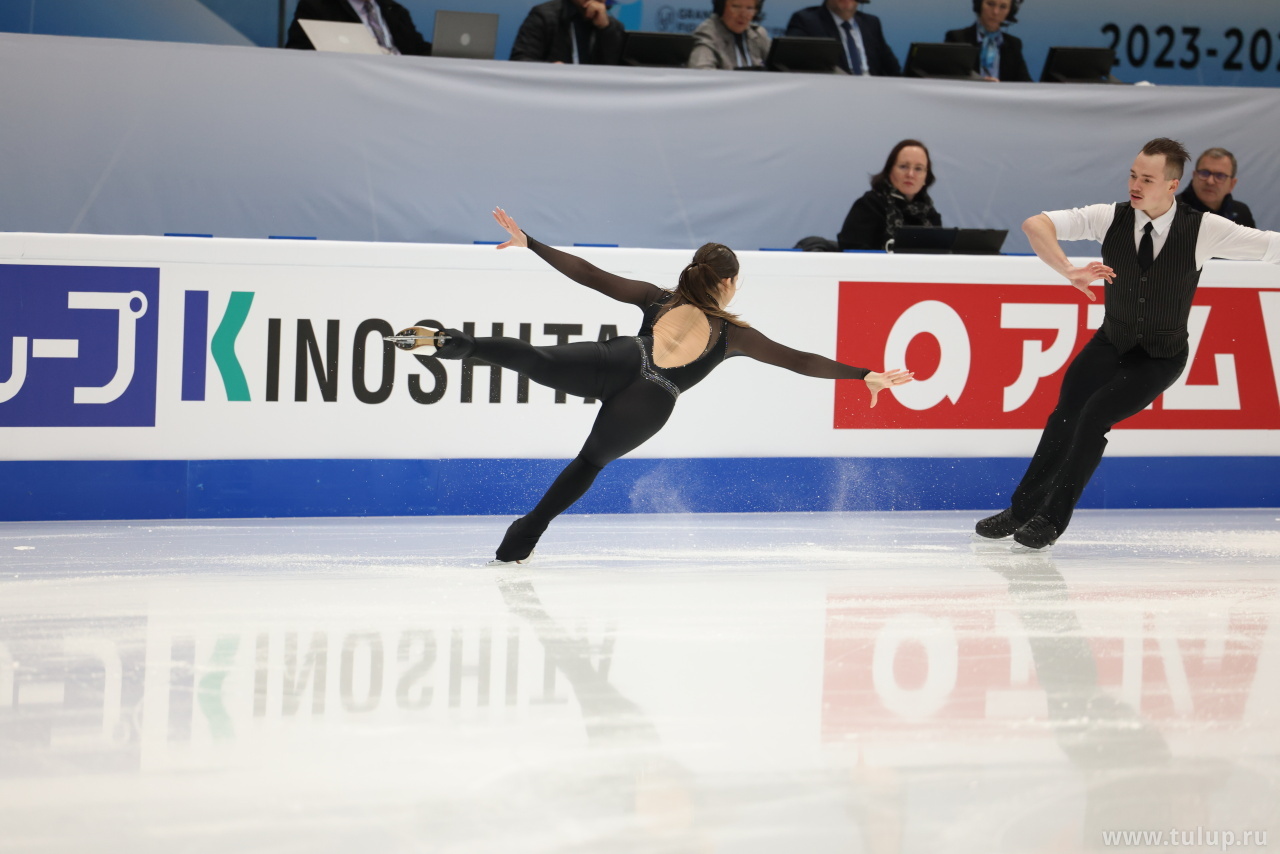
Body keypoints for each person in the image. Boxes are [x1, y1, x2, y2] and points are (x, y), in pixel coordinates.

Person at [403, 208, 914, 564]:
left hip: (624, 358)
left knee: (535, 358)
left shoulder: (659, 299)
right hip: (651, 401)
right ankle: (523, 536)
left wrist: (531, 243)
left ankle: (456, 343)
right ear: (729, 283)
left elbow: (592, 275)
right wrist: (863, 374)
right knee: (587, 464)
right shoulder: (733, 336)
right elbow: (799, 361)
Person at [974, 138, 1280, 550]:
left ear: (1171, 185)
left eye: (1147, 179)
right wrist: (1067, 269)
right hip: (1111, 342)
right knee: (1065, 416)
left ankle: (1050, 520)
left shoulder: (1204, 229)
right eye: (1133, 175)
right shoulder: (1109, 217)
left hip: (1159, 356)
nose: (1135, 185)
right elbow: (1035, 224)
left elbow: (1271, 246)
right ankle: (1021, 510)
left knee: (1094, 415)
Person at [838, 139, 942, 251]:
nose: (910, 174)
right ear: (889, 170)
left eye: (918, 168)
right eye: (903, 166)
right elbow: (853, 253)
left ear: (926, 177)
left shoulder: (930, 214)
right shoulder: (869, 206)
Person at [785, 0, 900, 77]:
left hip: (874, 93)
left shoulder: (871, 23)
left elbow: (893, 70)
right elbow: (790, 63)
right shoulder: (807, 21)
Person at [284, 0, 432, 55]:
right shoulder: (319, 7)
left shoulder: (395, 10)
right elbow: (298, 51)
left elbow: (417, 49)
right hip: (352, 82)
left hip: (401, 82)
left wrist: (443, 51)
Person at [510, 0, 626, 65]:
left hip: (595, 96)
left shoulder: (613, 27)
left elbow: (620, 71)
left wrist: (606, 29)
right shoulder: (545, 15)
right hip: (553, 92)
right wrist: (548, 69)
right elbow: (520, 61)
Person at [944, 0, 1031, 82]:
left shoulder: (1013, 44)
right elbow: (949, 77)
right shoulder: (957, 38)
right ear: (979, 4)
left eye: (1003, 7)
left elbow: (1026, 84)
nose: (995, 12)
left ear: (1010, 11)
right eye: (990, 4)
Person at [1178, 147, 1257, 228]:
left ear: (1232, 184)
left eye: (1220, 176)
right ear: (1194, 176)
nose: (1210, 181)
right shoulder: (1173, 210)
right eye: (1204, 173)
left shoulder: (1241, 213)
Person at [688, 0, 771, 71]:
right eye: (736, 6)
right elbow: (701, 72)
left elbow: (777, 67)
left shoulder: (758, 34)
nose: (743, 15)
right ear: (721, 7)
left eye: (749, 8)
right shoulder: (707, 34)